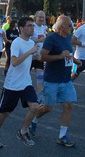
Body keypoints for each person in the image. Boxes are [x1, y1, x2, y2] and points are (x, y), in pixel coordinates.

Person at [0, 17, 41, 148]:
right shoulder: (17, 42)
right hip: (12, 84)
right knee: (5, 113)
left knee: (35, 107)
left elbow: (30, 58)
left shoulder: (31, 43)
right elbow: (15, 62)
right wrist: (30, 52)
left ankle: (23, 131)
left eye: (33, 26)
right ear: (22, 29)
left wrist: (36, 56)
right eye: (29, 26)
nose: (32, 28)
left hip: (26, 82)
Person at [29, 15, 81, 147]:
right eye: (69, 25)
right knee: (47, 108)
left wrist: (75, 60)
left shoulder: (69, 37)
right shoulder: (51, 39)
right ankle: (34, 120)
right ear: (61, 27)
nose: (72, 27)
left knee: (68, 105)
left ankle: (62, 136)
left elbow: (67, 54)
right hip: (52, 79)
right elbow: (42, 57)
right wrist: (59, 56)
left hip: (66, 79)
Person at [30, 10, 48, 98]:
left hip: (39, 56)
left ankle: (39, 96)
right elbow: (25, 41)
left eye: (43, 17)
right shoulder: (31, 27)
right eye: (39, 17)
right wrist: (38, 41)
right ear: (35, 18)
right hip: (29, 56)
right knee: (24, 76)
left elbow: (44, 41)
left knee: (40, 76)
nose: (41, 19)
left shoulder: (44, 28)